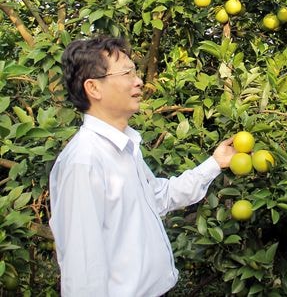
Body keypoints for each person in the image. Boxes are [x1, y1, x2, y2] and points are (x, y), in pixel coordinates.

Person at [49, 36, 236, 296]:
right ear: (94, 88)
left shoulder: (126, 147)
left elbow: (158, 197)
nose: (138, 81)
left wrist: (215, 163)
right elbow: (83, 270)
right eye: (126, 73)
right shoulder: (85, 162)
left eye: (135, 71)